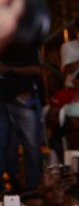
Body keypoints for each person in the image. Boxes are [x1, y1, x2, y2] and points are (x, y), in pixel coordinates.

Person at [0, 35, 42, 191]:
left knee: (30, 144)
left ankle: (34, 186)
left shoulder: (25, 43)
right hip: (3, 100)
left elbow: (37, 69)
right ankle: (10, 183)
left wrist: (10, 69)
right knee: (5, 146)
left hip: (23, 100)